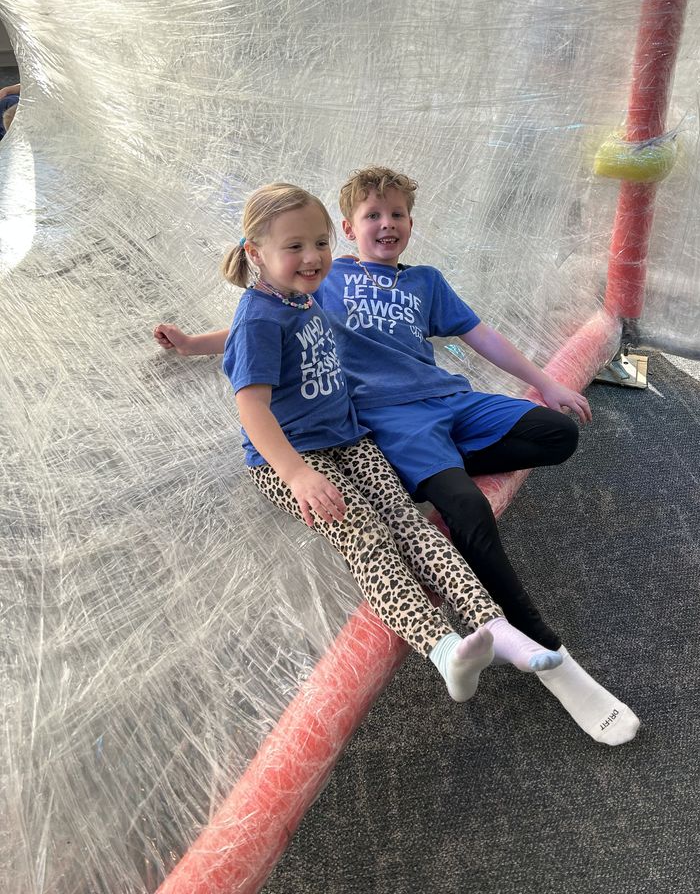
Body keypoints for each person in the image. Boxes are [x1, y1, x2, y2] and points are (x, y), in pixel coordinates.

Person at [155, 168, 641, 745]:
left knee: (550, 439)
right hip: (372, 429)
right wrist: (194, 350)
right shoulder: (323, 287)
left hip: (421, 411)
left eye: (396, 216)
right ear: (350, 227)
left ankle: (443, 502)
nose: (384, 226)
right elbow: (253, 338)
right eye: (371, 216)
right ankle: (523, 639)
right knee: (426, 525)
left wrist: (544, 383)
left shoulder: (385, 283)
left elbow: (477, 336)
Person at [208, 180, 565, 705]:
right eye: (295, 247)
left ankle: (499, 629)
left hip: (349, 435)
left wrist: (197, 342)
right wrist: (298, 475)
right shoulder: (262, 314)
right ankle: (443, 649)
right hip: (294, 456)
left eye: (319, 243)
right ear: (255, 254)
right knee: (367, 537)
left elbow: (257, 337)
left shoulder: (305, 297)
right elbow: (251, 405)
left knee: (412, 527)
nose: (312, 257)